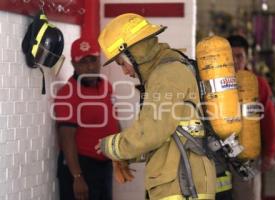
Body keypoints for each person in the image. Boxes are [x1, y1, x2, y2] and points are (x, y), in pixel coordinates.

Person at [95, 13, 216, 200]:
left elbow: (151, 132)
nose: (125, 71)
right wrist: (126, 155)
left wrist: (110, 146)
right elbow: (167, 134)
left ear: (133, 53)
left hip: (183, 184)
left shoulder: (166, 75)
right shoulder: (167, 71)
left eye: (122, 63)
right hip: (182, 180)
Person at [54, 37, 119, 200]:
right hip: (81, 167)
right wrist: (77, 177)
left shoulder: (106, 86)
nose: (90, 66)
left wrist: (120, 156)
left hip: (104, 167)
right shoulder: (67, 93)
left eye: (93, 60)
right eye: (83, 62)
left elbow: (113, 121)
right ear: (74, 65)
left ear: (99, 60)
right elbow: (66, 138)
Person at [227, 35, 275, 200]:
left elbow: (269, 121)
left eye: (239, 56)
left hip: (248, 156)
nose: (235, 61)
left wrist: (269, 154)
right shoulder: (213, 84)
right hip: (218, 156)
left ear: (247, 58)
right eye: (230, 56)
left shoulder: (259, 85)